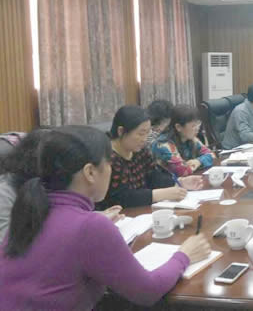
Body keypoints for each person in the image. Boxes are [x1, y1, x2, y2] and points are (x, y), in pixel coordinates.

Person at [0, 126, 211, 310]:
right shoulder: (90, 226)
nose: (111, 170)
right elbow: (148, 291)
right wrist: (184, 255)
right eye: (109, 163)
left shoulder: (29, 210)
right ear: (90, 172)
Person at [98, 106, 203, 209]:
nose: (144, 139)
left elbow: (153, 176)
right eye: (141, 134)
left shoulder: (139, 150)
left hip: (142, 210)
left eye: (147, 133)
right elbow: (121, 198)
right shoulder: (106, 158)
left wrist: (179, 182)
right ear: (121, 131)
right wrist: (159, 194)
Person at [152, 104, 214, 176]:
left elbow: (212, 155)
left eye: (198, 123)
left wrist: (198, 161)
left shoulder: (191, 138)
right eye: (193, 125)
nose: (197, 128)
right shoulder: (163, 144)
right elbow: (182, 171)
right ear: (178, 127)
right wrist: (200, 162)